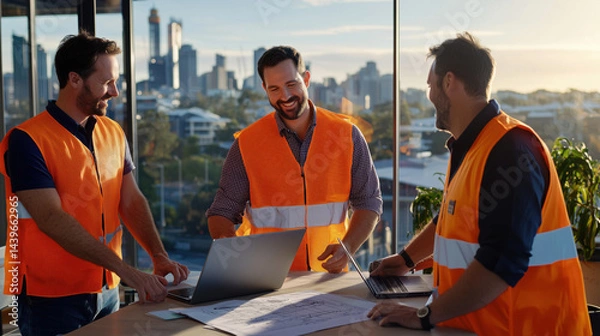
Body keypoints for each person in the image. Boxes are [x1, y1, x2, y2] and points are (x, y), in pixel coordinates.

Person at [368, 33, 591, 335]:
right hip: (479, 327)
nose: (429, 94)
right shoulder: (473, 146)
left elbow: (500, 264)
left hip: (526, 328)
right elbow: (450, 219)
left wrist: (423, 315)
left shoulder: (511, 151)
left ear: (449, 82)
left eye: (430, 85)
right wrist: (407, 259)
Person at [0, 32, 189, 336]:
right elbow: (51, 218)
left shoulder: (113, 131)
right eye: (106, 82)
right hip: (50, 299)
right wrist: (130, 273)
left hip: (107, 289)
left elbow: (131, 200)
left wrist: (158, 256)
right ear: (74, 79)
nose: (115, 92)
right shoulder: (27, 141)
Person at [206, 45, 382, 273]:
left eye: (291, 84)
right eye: (275, 89)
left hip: (328, 278)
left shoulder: (346, 136)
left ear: (306, 79)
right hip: (266, 279)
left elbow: (369, 202)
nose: (285, 96)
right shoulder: (246, 144)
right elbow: (221, 212)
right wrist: (234, 254)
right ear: (264, 89)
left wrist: (348, 247)